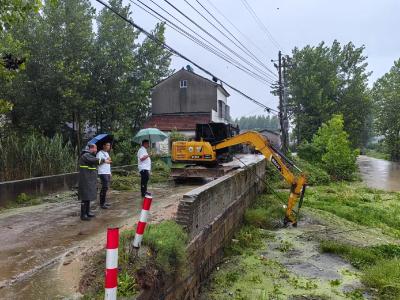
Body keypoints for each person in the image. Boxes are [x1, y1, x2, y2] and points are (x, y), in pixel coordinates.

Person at [78, 143, 111, 221]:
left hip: (89, 180)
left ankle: (87, 212)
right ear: (91, 148)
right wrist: (104, 160)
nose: (96, 150)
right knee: (85, 197)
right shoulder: (86, 155)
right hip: (85, 180)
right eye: (95, 148)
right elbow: (95, 160)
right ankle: (83, 215)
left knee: (88, 196)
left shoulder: (89, 155)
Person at [96, 142, 112, 209]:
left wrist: (110, 172)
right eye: (107, 145)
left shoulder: (107, 153)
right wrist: (105, 161)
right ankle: (102, 203)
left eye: (109, 145)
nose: (109, 146)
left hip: (107, 172)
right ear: (104, 146)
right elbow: (97, 162)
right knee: (104, 187)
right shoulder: (100, 153)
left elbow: (109, 163)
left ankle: (104, 202)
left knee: (106, 188)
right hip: (102, 172)